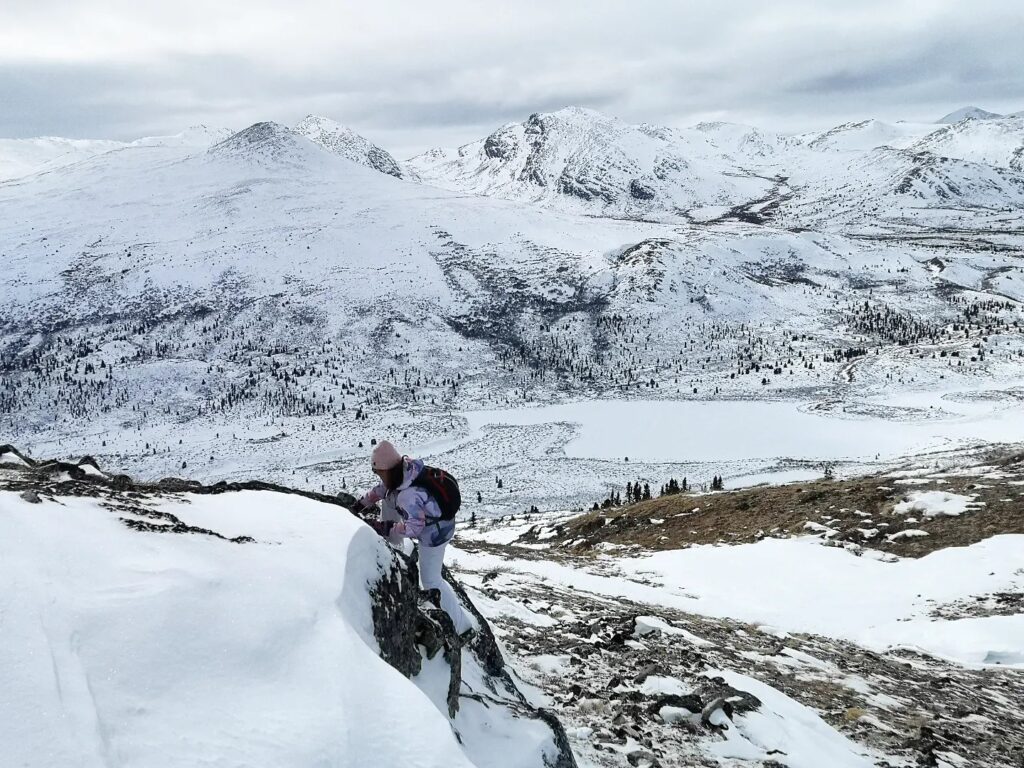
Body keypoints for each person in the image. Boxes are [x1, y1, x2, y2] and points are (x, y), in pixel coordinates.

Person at [353, 440, 473, 638]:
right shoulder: (406, 471)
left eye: (378, 472)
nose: (377, 476)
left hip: (436, 534)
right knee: (390, 499)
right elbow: (381, 491)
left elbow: (414, 528)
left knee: (431, 579)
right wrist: (360, 505)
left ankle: (462, 627)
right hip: (434, 522)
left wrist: (387, 527)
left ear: (387, 469)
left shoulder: (408, 495)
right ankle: (393, 548)